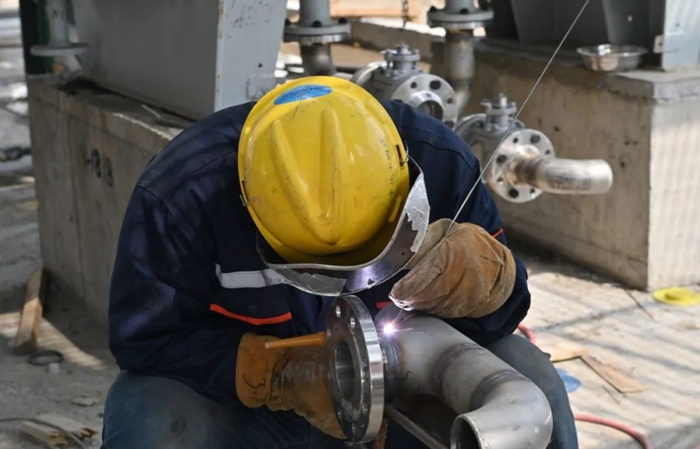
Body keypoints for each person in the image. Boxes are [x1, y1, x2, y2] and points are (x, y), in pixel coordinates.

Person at [101, 76, 577, 449]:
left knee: (532, 380)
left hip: (404, 400)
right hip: (260, 418)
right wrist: (278, 375)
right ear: (249, 205)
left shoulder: (442, 164)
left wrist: (492, 284)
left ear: (403, 178)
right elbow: (146, 343)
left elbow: (503, 319)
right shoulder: (183, 196)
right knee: (150, 414)